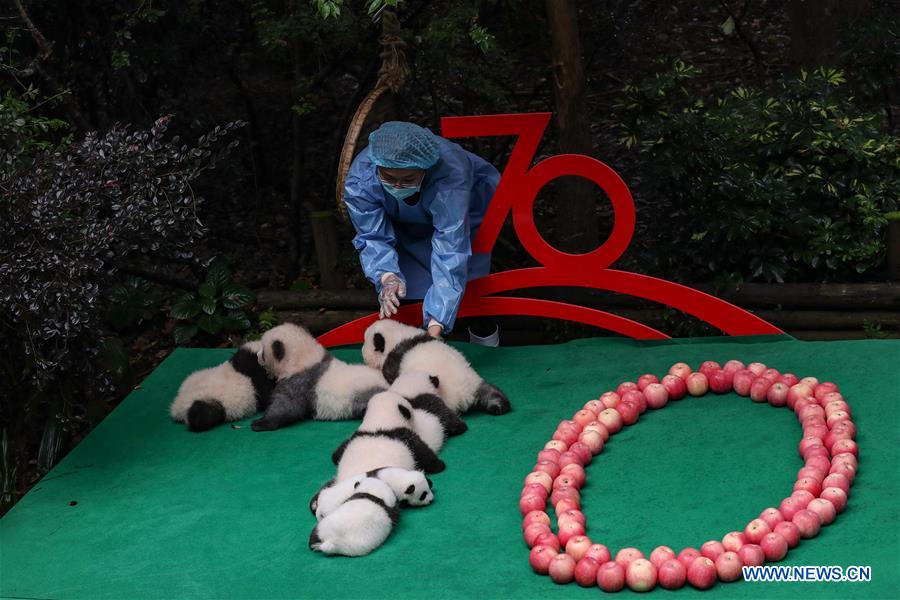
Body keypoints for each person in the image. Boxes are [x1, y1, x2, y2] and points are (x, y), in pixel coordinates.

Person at [344, 121, 500, 345]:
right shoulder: (361, 178)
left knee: (472, 289)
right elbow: (372, 236)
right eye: (388, 177)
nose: (397, 186)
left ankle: (487, 346)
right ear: (376, 167)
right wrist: (387, 276)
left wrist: (435, 328)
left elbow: (451, 248)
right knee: (407, 288)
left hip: (463, 217)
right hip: (405, 224)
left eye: (407, 179)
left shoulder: (451, 173)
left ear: (426, 169)